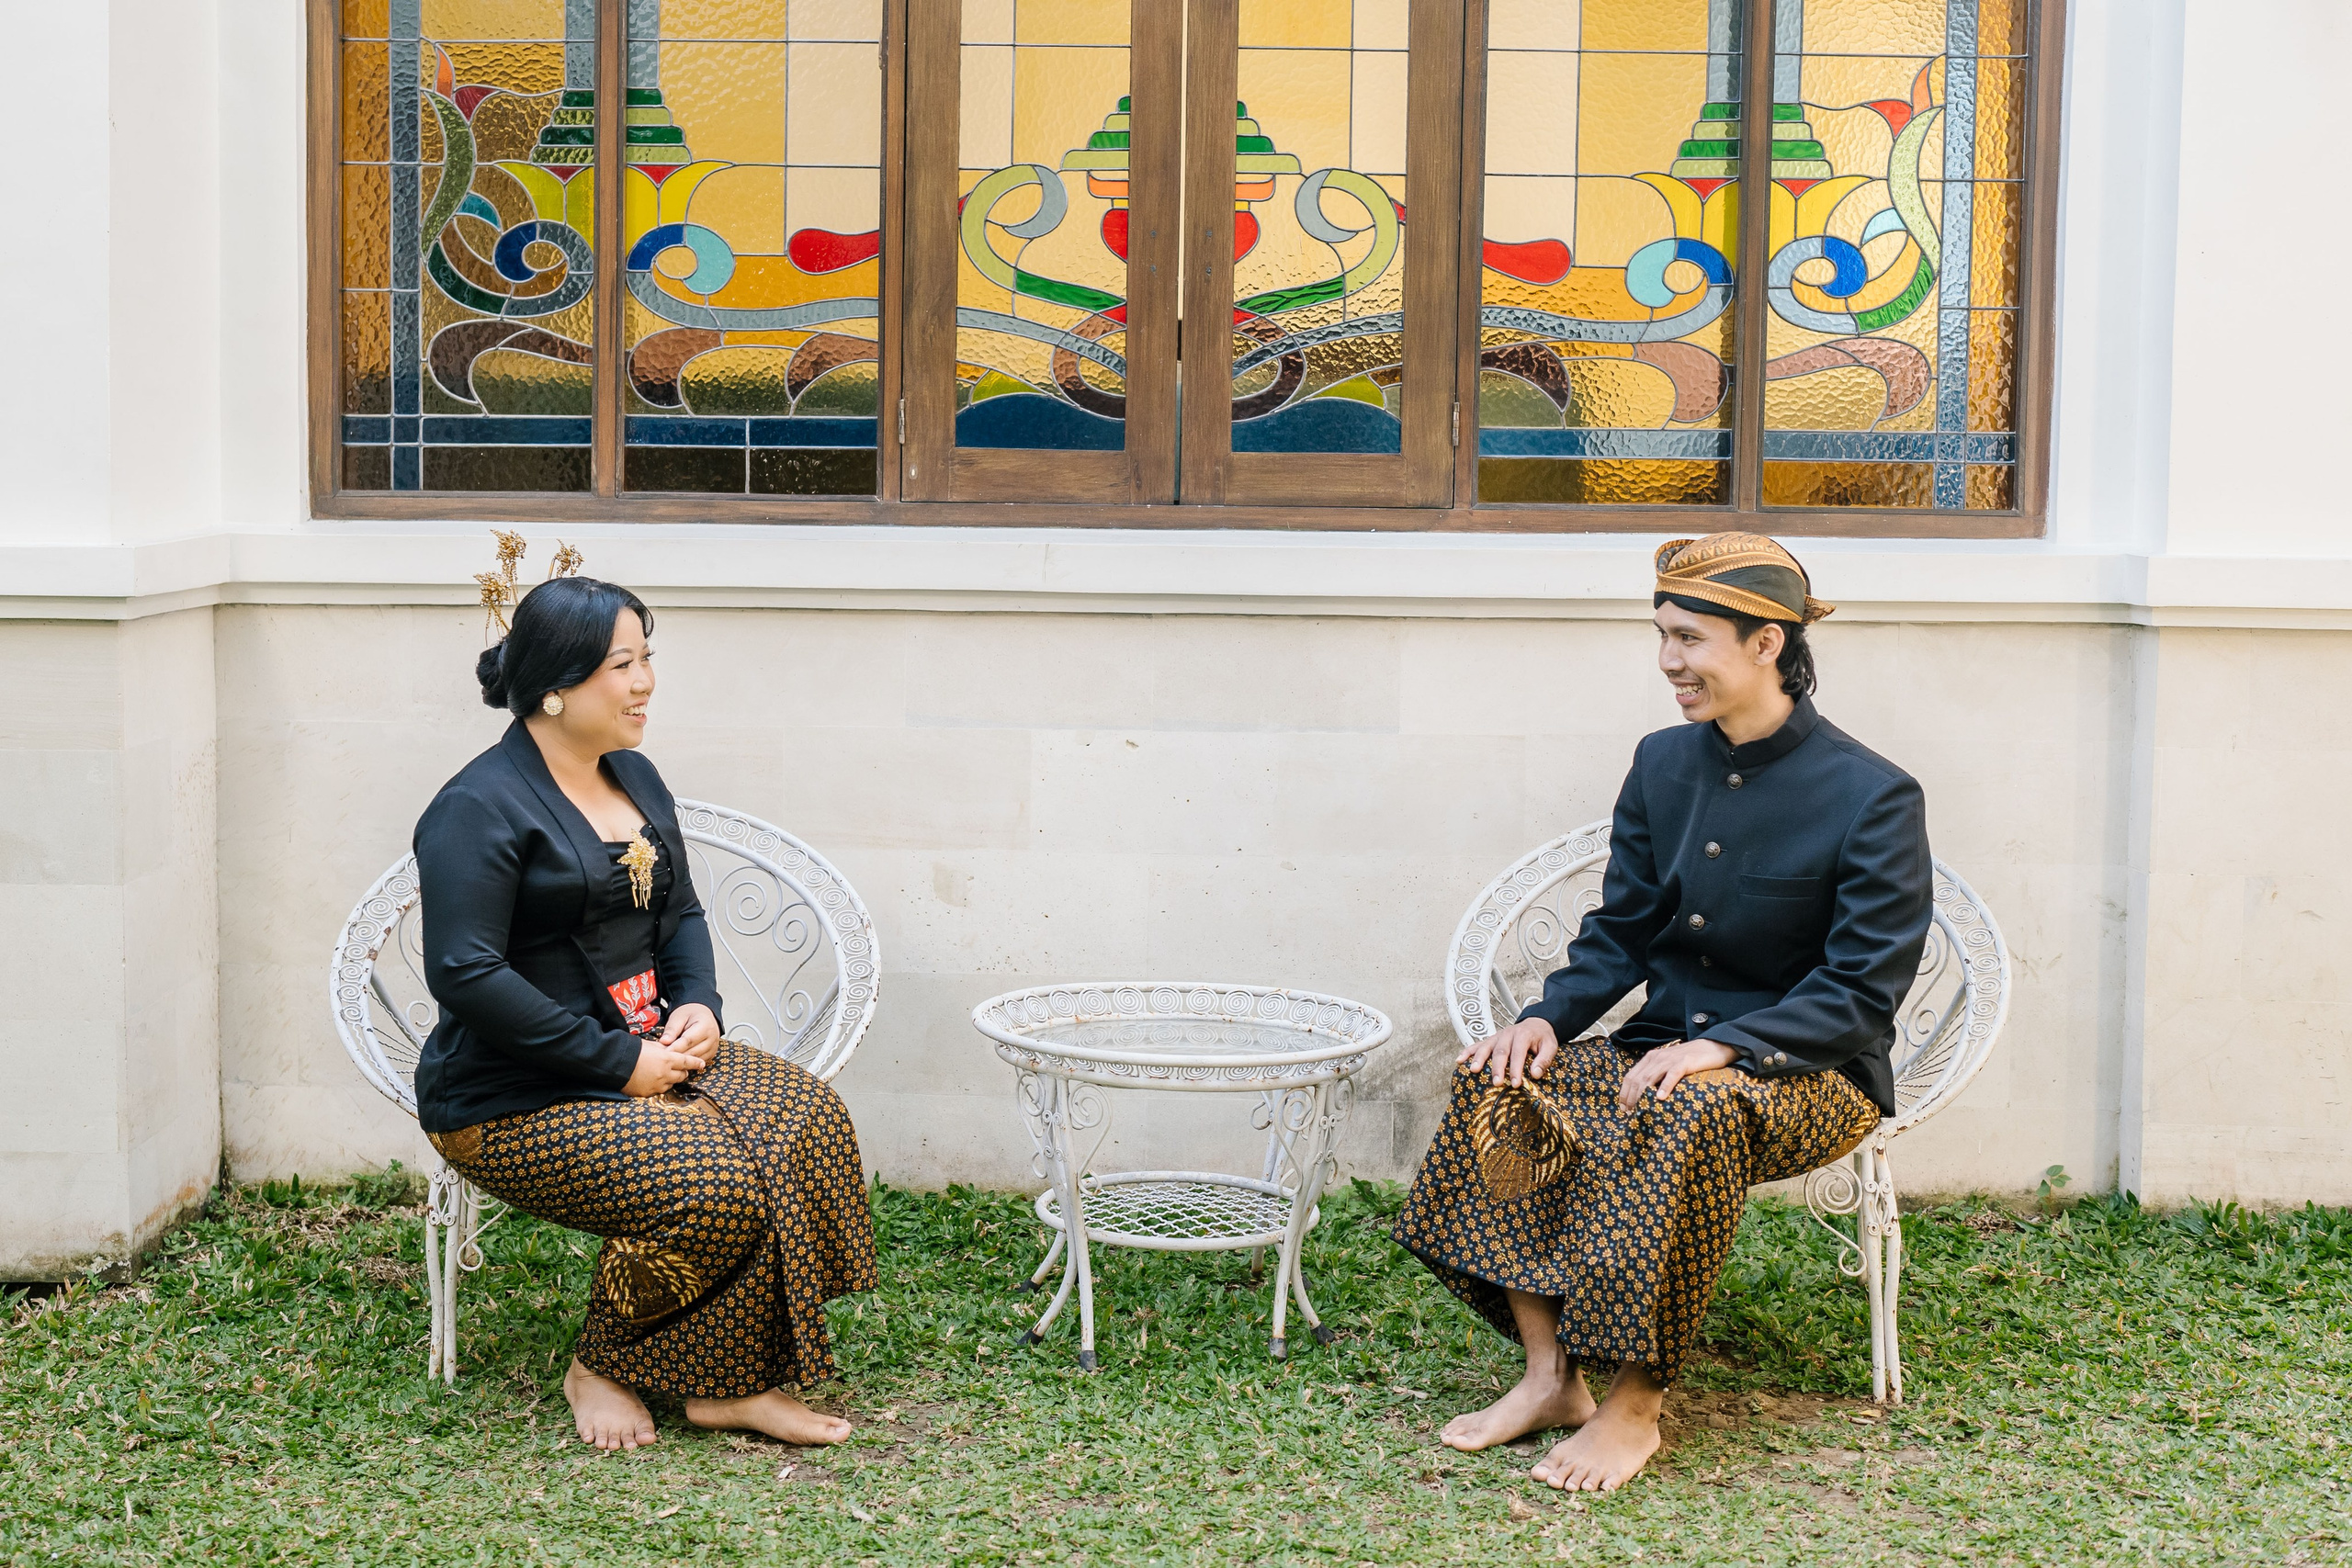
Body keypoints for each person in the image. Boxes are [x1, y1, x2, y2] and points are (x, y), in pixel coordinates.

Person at [1392, 532, 1931, 1492]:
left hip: (1812, 1073)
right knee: (1500, 1080)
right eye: (1660, 636)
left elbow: (1860, 990)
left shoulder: (1872, 795)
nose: (1667, 662)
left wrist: (1723, 1048)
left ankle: (1634, 1407)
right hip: (1658, 1048)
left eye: (1688, 638)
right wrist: (1547, 1020)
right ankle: (1550, 1377)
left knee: (1689, 1110)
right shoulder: (1662, 763)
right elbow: (1625, 928)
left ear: (1767, 643)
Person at [413, 564, 876, 1452]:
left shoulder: (634, 775)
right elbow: (465, 973)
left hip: (648, 1045)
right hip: (512, 1096)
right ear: (554, 688)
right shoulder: (477, 808)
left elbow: (682, 913)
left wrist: (697, 1003)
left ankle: (725, 1384)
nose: (645, 682)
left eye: (646, 657)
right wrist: (619, 1064)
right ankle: (602, 1362)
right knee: (712, 1185)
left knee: (806, 1120)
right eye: (622, 665)